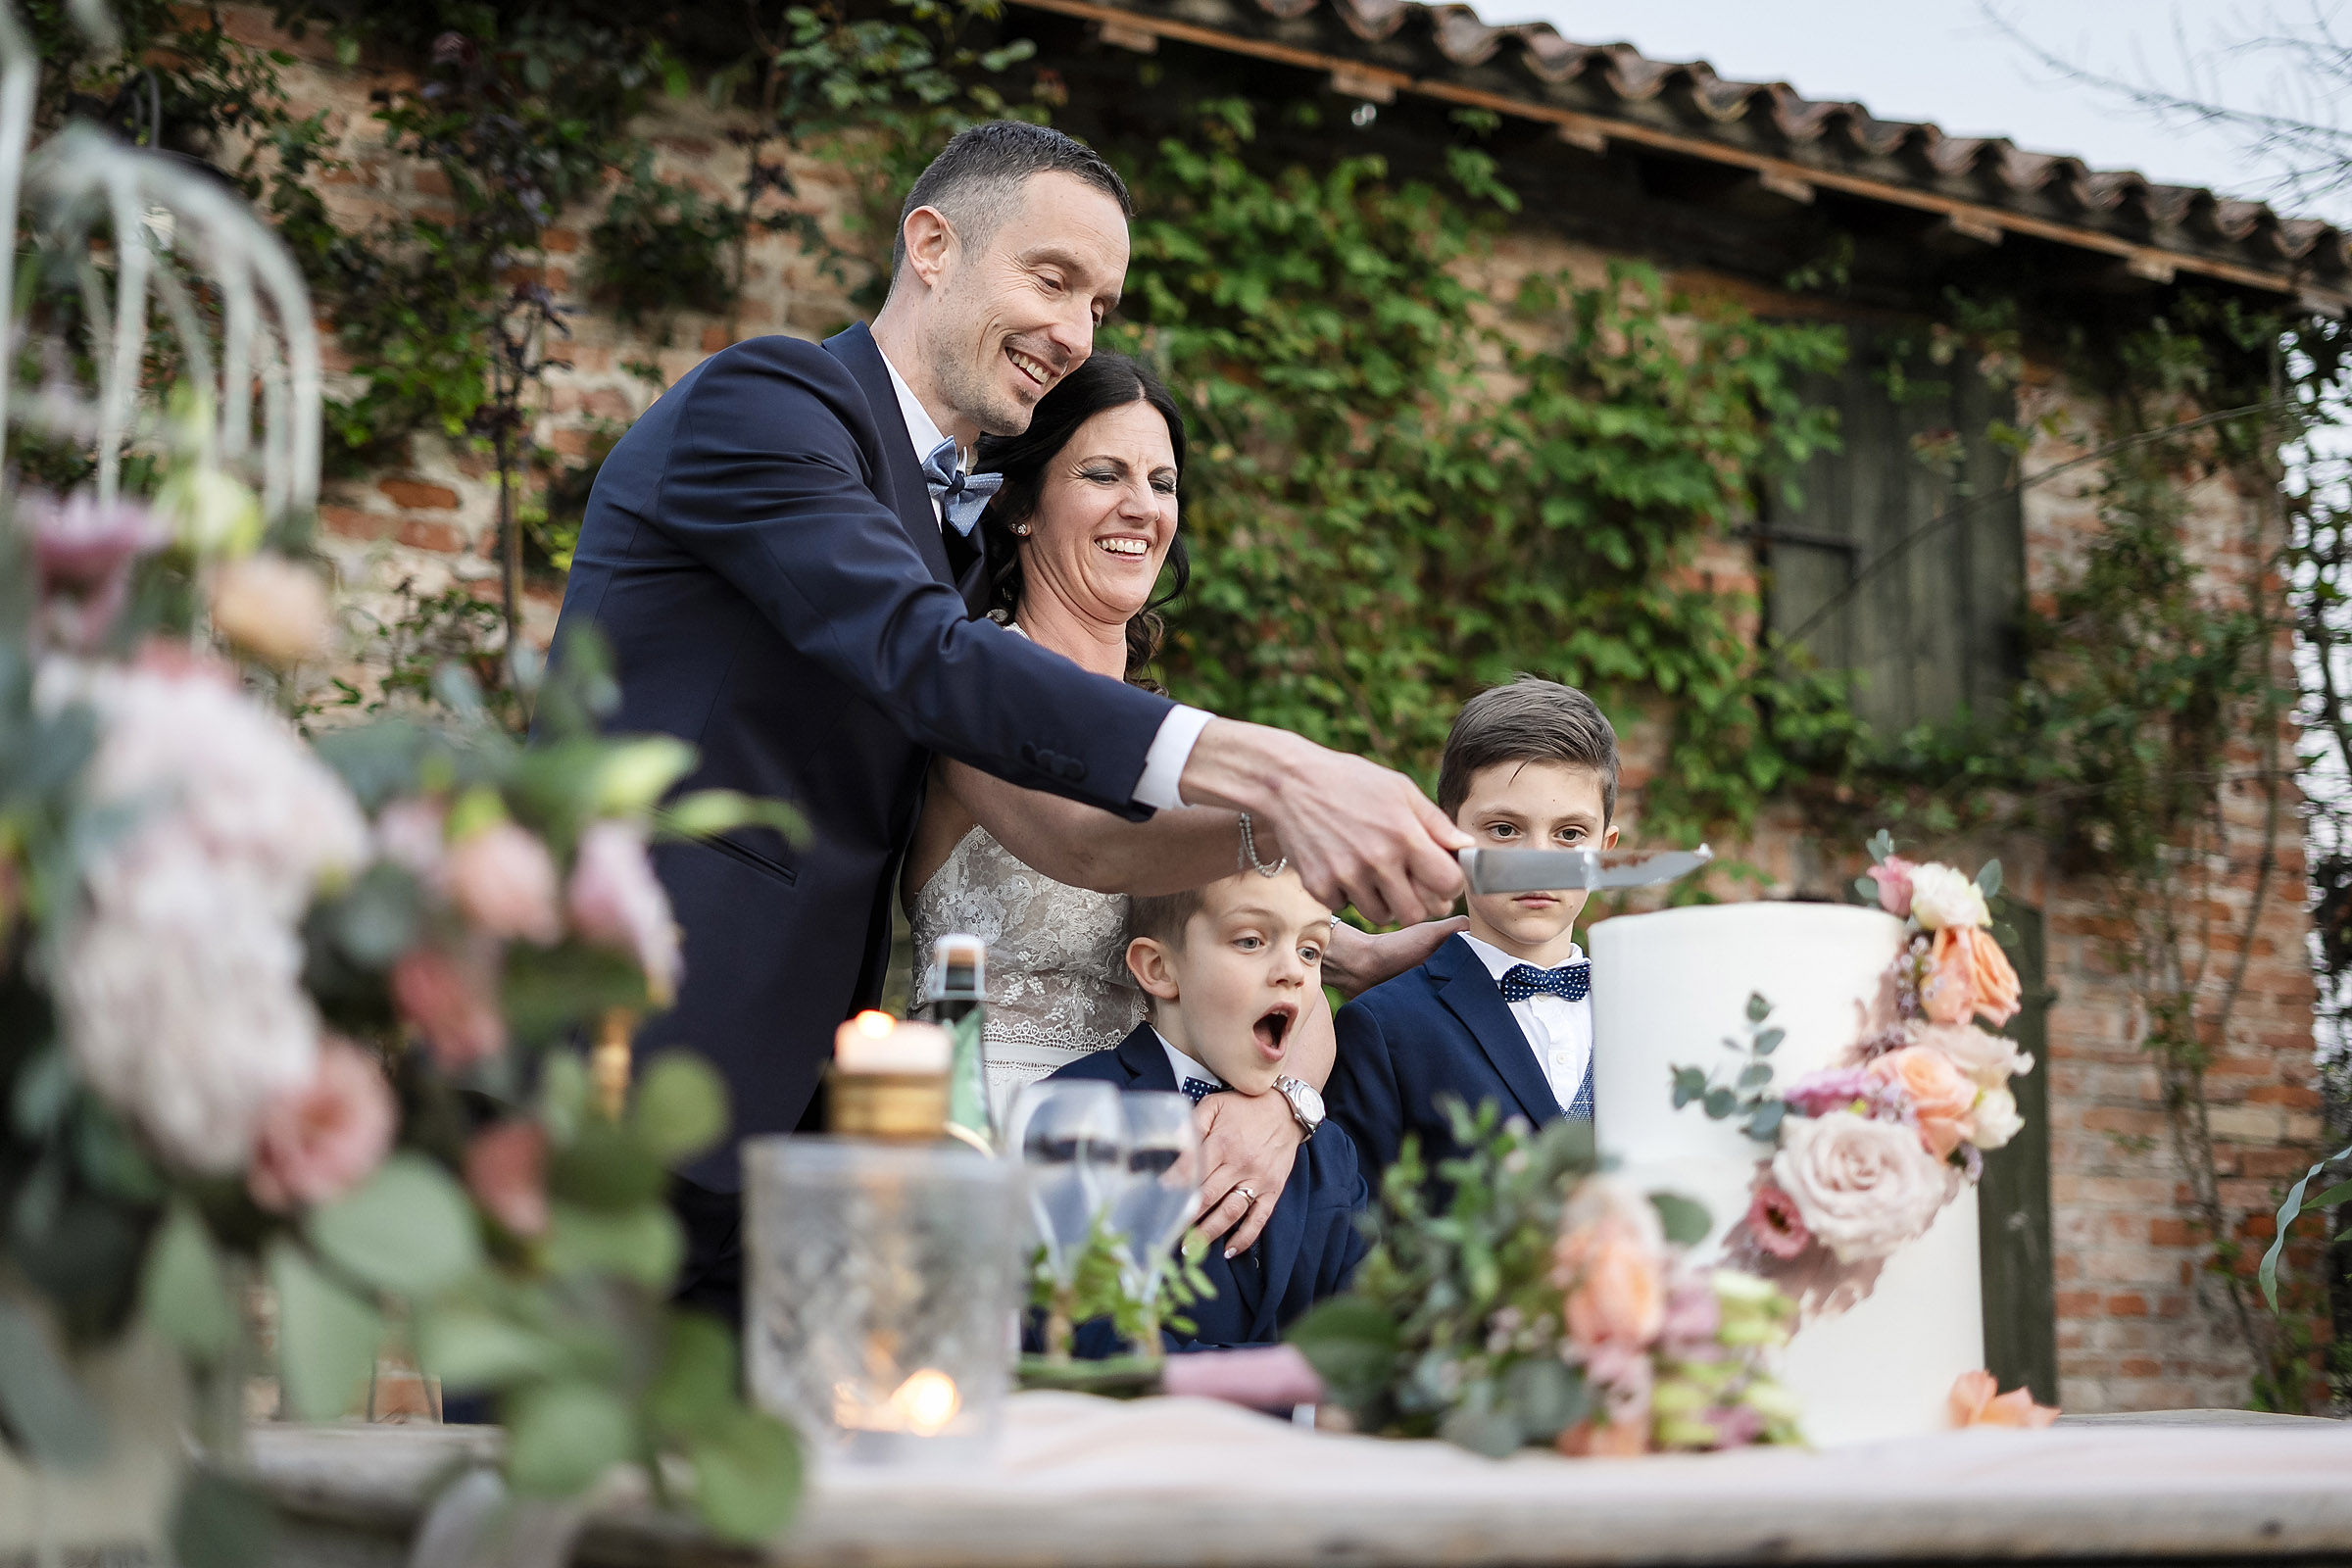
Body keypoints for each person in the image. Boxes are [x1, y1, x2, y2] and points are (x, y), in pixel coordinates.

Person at [545, 120, 1466, 1322]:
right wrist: (1272, 770)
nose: (1076, 332)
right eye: (1052, 278)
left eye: (1100, 303)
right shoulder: (770, 402)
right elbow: (927, 657)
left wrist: (1320, 931)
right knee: (543, 1446)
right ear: (931, 245)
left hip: (790, 1131)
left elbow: (1097, 845)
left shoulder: (961, 538)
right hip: (627, 1066)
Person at [1046, 865, 1369, 1352]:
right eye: (1251, 941)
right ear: (1159, 968)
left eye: (1310, 950)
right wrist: (1282, 1391)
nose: (1294, 972)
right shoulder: (1078, 1115)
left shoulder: (1329, 1151)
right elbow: (1082, 1334)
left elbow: (1367, 1337)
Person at [1326, 678, 1621, 1185]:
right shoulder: (1384, 1028)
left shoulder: (1653, 1010)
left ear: (1605, 851)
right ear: (1447, 839)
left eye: (1570, 834)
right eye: (1504, 830)